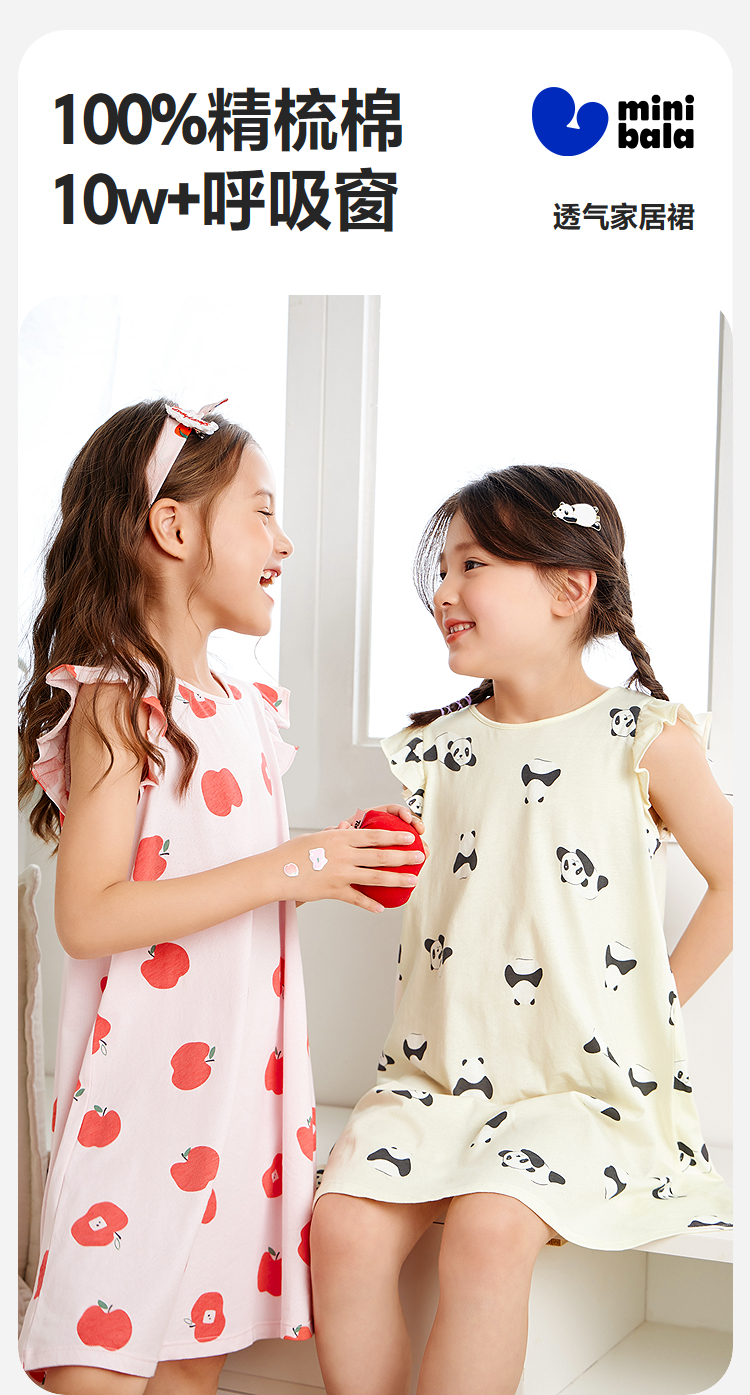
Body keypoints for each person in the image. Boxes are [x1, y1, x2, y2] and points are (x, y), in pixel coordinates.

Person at [17, 398, 426, 1395]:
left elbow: (217, 876)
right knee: (97, 1360)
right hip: (140, 1109)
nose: (284, 542)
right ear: (172, 527)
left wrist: (327, 863)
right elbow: (91, 915)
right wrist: (295, 867)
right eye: (263, 513)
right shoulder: (121, 701)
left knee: (190, 1369)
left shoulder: (244, 708)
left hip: (241, 1104)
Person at [310, 464, 733, 1395]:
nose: (444, 590)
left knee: (491, 1227)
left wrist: (649, 1009)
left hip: (582, 1095)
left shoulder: (644, 737)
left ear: (569, 587)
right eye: (442, 569)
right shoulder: (434, 755)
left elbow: (731, 887)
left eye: (472, 564)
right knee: (340, 1225)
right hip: (433, 1081)